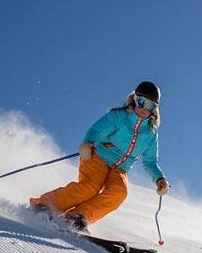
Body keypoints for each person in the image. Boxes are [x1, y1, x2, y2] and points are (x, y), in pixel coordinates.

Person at [29, 81, 169, 231]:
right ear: (135, 98)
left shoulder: (150, 133)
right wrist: (87, 144)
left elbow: (150, 161)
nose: (144, 109)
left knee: (119, 192)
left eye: (151, 106)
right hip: (98, 157)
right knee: (90, 187)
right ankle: (44, 205)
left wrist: (159, 179)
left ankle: (77, 217)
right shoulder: (119, 116)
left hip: (119, 169)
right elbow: (97, 130)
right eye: (142, 102)